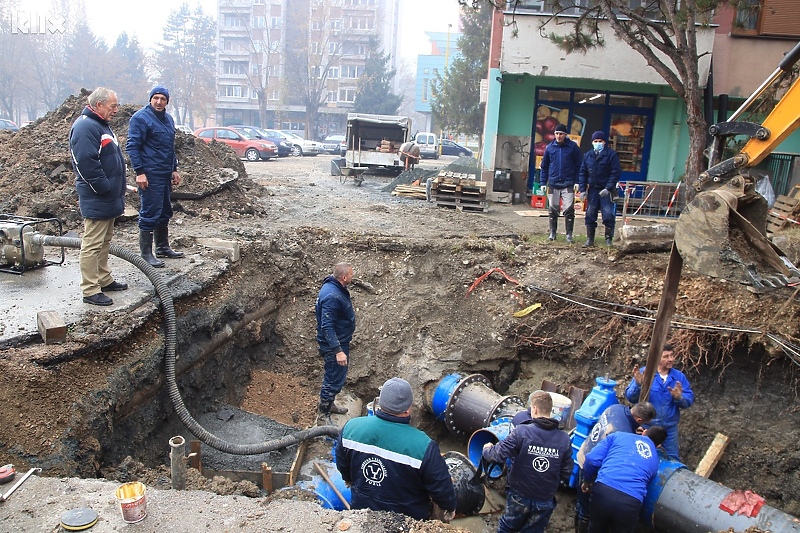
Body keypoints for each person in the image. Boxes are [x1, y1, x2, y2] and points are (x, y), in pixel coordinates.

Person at [335, 377, 457, 521]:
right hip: (408, 520)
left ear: (380, 402)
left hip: (363, 515)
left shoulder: (351, 428)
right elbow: (441, 488)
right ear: (408, 408)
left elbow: (343, 466)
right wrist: (449, 507)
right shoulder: (424, 446)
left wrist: (351, 480)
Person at [68, 87, 129, 307]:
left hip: (109, 195)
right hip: (98, 196)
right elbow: (85, 162)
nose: (116, 110)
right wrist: (104, 186)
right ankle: (90, 289)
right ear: (99, 105)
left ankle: (104, 279)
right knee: (92, 243)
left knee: (105, 240)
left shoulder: (102, 126)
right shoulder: (86, 127)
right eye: (113, 105)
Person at [482, 390, 573, 533]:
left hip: (519, 495)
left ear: (534, 409)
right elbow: (567, 471)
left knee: (507, 528)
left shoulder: (522, 432)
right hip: (544, 498)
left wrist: (487, 449)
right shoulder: (564, 439)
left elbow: (496, 455)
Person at [573, 402, 657, 533]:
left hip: (583, 454)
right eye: (643, 423)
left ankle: (577, 523)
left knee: (581, 503)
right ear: (639, 420)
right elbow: (598, 460)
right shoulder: (622, 432)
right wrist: (588, 481)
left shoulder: (615, 408)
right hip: (592, 467)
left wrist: (634, 430)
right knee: (588, 512)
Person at [126, 85, 183, 268]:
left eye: (163, 99)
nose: (159, 102)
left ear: (167, 101)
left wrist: (174, 168)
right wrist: (140, 172)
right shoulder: (140, 118)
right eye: (156, 98)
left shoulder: (168, 119)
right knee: (150, 212)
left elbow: (170, 147)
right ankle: (145, 253)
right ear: (150, 99)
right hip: (150, 174)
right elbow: (133, 146)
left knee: (165, 210)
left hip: (165, 172)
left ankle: (162, 247)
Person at [580, 426, 667, 533]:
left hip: (604, 491)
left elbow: (592, 459)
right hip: (631, 502)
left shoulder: (618, 435)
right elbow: (648, 481)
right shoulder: (655, 460)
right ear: (658, 446)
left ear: (644, 432)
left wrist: (587, 481)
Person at [625, 343, 694, 461]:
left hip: (669, 429)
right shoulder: (645, 373)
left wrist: (679, 398)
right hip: (647, 427)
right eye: (666, 356)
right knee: (641, 456)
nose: (671, 359)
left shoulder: (679, 377)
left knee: (671, 458)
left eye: (672, 356)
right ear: (657, 358)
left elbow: (689, 401)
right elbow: (630, 397)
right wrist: (638, 385)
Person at [316, 262, 356, 417]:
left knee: (336, 375)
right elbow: (327, 327)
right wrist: (338, 351)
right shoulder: (332, 296)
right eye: (351, 274)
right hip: (333, 346)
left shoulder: (335, 288)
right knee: (333, 378)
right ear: (344, 277)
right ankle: (324, 413)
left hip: (339, 341)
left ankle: (329, 404)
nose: (353, 276)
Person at [539, 123, 582, 243]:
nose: (558, 136)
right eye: (557, 133)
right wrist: (543, 182)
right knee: (553, 209)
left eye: (561, 134)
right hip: (553, 183)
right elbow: (544, 166)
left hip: (568, 183)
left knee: (568, 209)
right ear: (554, 134)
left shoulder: (573, 147)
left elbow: (579, 165)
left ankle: (569, 234)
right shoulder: (549, 148)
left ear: (565, 135)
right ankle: (552, 233)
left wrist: (578, 181)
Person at [578, 131, 621, 247]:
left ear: (604, 142)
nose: (598, 143)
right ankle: (590, 239)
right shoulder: (588, 156)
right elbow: (583, 173)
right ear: (592, 142)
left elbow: (615, 173)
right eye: (595, 141)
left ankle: (608, 239)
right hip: (592, 190)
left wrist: (608, 188)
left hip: (606, 190)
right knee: (590, 213)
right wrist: (582, 190)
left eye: (600, 141)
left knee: (608, 214)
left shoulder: (612, 155)